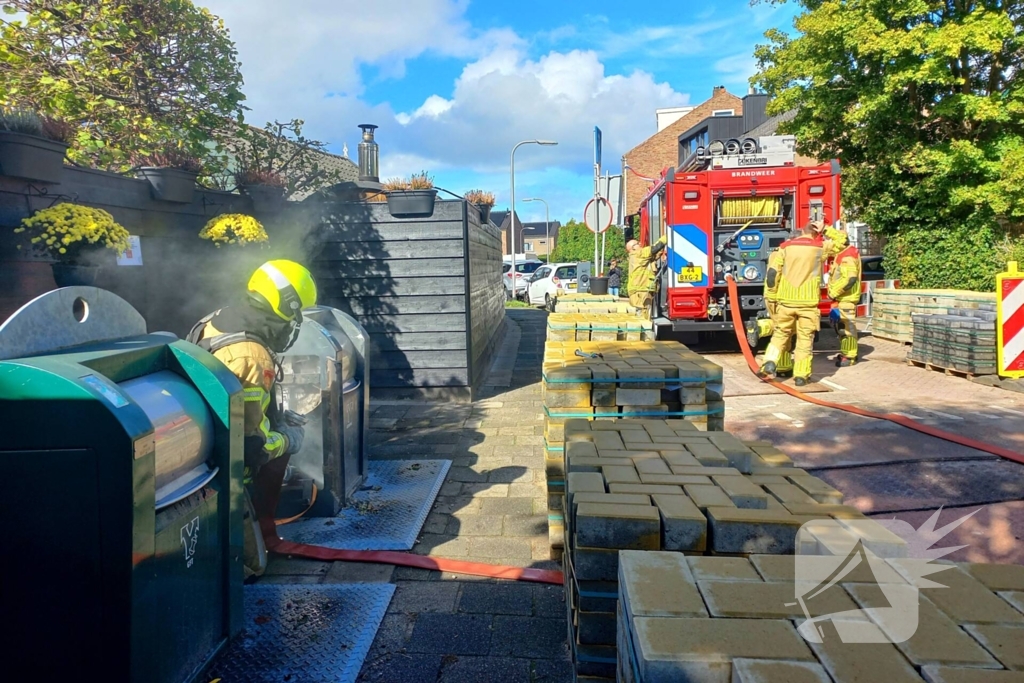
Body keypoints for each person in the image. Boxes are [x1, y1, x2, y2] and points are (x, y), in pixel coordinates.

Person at [187, 259, 318, 578]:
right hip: (227, 478)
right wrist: (288, 438)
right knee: (252, 566)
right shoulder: (251, 355)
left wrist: (273, 416)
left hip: (200, 456)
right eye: (296, 313)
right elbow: (252, 447)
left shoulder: (218, 320)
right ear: (286, 305)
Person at [759, 221, 824, 386]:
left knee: (780, 334)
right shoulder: (819, 248)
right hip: (808, 304)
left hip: (786, 302)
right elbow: (841, 245)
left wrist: (772, 297)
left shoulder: (784, 248)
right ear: (815, 233)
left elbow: (773, 274)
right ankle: (801, 376)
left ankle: (769, 361)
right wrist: (825, 230)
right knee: (804, 340)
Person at [823, 226, 862, 366]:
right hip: (842, 299)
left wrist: (834, 292)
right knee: (841, 329)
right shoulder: (843, 254)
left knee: (847, 329)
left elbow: (850, 279)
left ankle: (850, 355)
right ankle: (846, 352)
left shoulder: (847, 256)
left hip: (846, 299)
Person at [626, 234, 667, 317]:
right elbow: (654, 248)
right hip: (641, 291)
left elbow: (654, 255)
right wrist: (667, 235)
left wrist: (661, 249)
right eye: (637, 243)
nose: (640, 244)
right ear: (633, 248)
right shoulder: (638, 254)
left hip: (639, 290)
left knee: (644, 313)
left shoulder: (637, 257)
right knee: (644, 315)